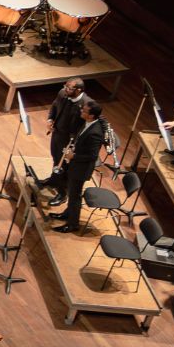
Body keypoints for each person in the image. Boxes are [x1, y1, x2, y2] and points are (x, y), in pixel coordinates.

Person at [47, 100, 107, 233]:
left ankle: (72, 224)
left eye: (84, 111)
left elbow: (92, 156)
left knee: (75, 196)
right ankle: (68, 214)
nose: (81, 111)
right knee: (72, 193)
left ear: (91, 116)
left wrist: (74, 156)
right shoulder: (87, 123)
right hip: (75, 165)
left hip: (81, 169)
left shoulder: (95, 133)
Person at [40, 78, 91, 191]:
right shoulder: (62, 93)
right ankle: (53, 181)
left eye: (69, 88)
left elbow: (89, 125)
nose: (65, 90)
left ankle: (63, 191)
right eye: (65, 86)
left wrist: (76, 145)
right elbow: (54, 105)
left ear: (78, 90)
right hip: (57, 133)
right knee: (56, 159)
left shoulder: (86, 104)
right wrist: (50, 120)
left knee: (65, 165)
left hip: (70, 140)